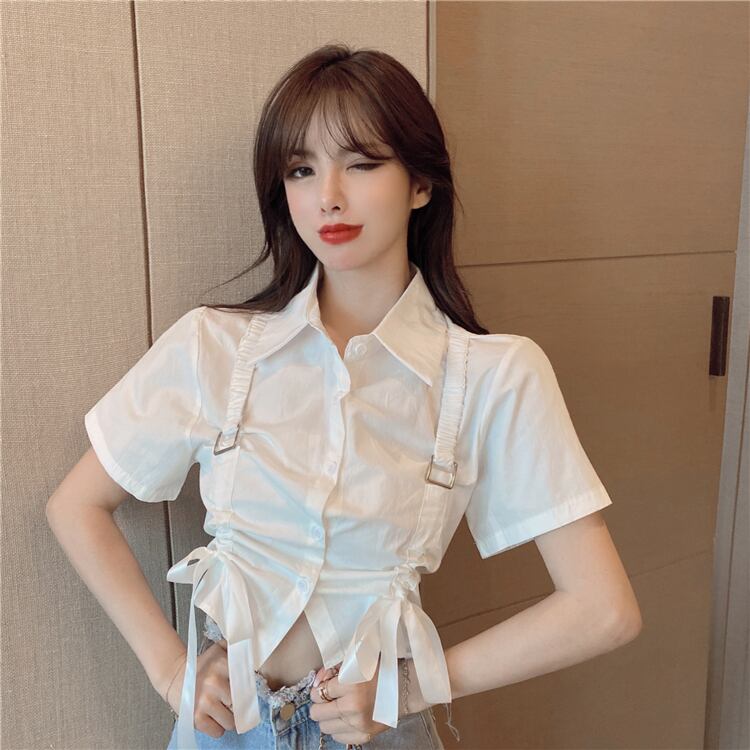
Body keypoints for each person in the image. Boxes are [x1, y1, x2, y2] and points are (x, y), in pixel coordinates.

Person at [46, 44, 641, 750]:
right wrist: (172, 671)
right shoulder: (216, 346)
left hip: (376, 732)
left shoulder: (493, 374)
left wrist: (410, 689)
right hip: (223, 727)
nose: (328, 194)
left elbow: (603, 609)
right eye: (302, 169)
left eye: (361, 163)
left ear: (421, 184)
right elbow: (76, 506)